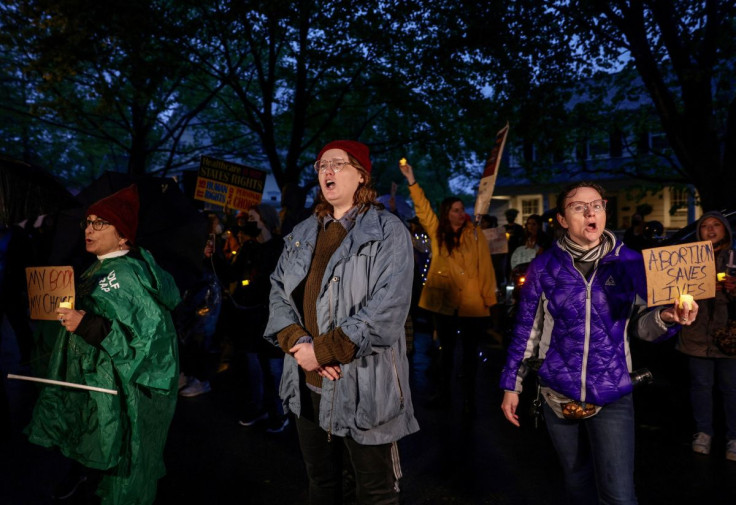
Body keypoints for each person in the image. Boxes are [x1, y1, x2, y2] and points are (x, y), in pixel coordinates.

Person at [500, 181, 696, 505]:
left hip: (612, 392)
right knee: (577, 483)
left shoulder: (631, 263)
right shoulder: (544, 266)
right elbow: (526, 331)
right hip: (556, 395)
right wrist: (512, 385)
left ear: (605, 210)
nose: (591, 212)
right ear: (562, 219)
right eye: (579, 207)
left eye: (597, 205)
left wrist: (668, 317)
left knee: (619, 495)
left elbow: (644, 326)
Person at [264, 140, 418, 504]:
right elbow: (277, 293)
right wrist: (296, 341)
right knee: (323, 485)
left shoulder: (387, 230)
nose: (327, 171)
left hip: (363, 386)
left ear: (362, 175)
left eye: (338, 164)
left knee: (374, 492)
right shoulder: (302, 233)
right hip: (306, 385)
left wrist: (323, 350)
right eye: (321, 165)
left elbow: (387, 311)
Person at [26, 185, 180, 505]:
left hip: (123, 395)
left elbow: (155, 349)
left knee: (123, 464)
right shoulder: (97, 268)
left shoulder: (129, 275)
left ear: (122, 235)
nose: (89, 228)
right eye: (88, 221)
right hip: (97, 387)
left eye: (100, 223)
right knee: (98, 450)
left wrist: (90, 327)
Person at [399, 161, 497, 414]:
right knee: (445, 353)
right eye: (455, 209)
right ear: (446, 213)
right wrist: (412, 180)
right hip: (443, 305)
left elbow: (485, 266)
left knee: (470, 356)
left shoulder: (474, 234)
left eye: (461, 208)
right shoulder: (437, 231)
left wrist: (489, 299)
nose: (459, 213)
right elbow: (422, 209)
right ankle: (443, 394)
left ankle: (469, 397)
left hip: (472, 305)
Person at [676, 211, 736, 460]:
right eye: (705, 227)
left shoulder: (734, 257)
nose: (710, 230)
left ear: (726, 230)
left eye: (716, 225)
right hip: (696, 335)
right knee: (700, 387)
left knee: (731, 389)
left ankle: (733, 437)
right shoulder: (687, 260)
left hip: (730, 338)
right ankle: (704, 433)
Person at [233, 203, 289, 433]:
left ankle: (279, 411)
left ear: (265, 220)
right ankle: (258, 407)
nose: (250, 223)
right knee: (254, 366)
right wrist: (212, 257)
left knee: (274, 368)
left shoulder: (280, 247)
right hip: (250, 317)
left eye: (254, 219)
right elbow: (232, 273)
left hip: (272, 317)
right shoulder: (247, 247)